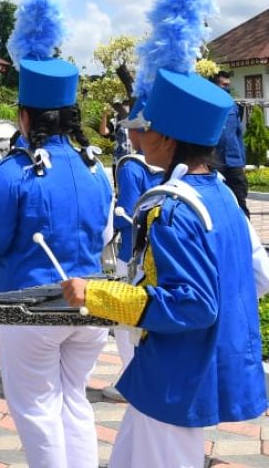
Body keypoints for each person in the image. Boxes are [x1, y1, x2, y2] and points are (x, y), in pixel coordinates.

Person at [61, 0, 268, 468]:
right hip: (193, 369)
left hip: (179, 374)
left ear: (169, 139)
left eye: (146, 125)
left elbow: (193, 305)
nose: (138, 133)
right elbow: (258, 276)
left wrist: (97, 294)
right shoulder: (221, 197)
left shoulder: (171, 208)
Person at [0, 0, 112, 468]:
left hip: (30, 304)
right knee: (74, 402)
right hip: (91, 302)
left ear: (24, 115)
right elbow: (103, 233)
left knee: (37, 409)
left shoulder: (14, 170)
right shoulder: (95, 167)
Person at [102, 97, 162, 402]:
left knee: (126, 321)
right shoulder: (170, 164)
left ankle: (130, 379)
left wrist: (110, 216)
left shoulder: (130, 166)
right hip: (159, 253)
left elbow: (127, 213)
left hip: (133, 254)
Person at [212, 70, 250, 217]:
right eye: (223, 85)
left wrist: (242, 161)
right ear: (215, 86)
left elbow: (238, 134)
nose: (227, 88)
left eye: (228, 85)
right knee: (219, 203)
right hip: (215, 162)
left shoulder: (232, 106)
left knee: (240, 200)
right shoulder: (208, 106)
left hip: (234, 162)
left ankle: (247, 234)